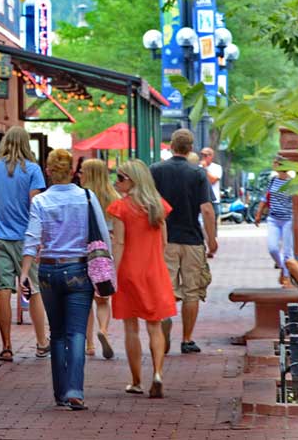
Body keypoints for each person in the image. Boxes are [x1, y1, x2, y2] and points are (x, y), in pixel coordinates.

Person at [20, 149, 110, 411]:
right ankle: (75, 390)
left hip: (48, 271)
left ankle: (60, 392)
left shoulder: (41, 202)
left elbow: (32, 239)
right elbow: (102, 234)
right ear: (72, 171)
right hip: (79, 270)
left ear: (48, 171)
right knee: (77, 332)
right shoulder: (86, 197)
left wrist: (25, 272)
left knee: (57, 333)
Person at [0, 126, 49, 362]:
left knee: (3, 289)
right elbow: (35, 205)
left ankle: (7, 346)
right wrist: (38, 235)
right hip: (26, 238)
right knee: (34, 288)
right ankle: (41, 343)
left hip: (0, 237)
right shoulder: (33, 170)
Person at [109, 159, 176, 398]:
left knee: (131, 327)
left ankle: (136, 380)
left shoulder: (121, 208)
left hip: (129, 270)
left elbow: (119, 243)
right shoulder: (158, 206)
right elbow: (165, 242)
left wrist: (111, 275)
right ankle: (157, 373)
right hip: (154, 271)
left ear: (132, 180)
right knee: (155, 325)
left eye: (120, 178)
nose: (116, 183)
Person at [150, 129, 216, 355]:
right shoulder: (197, 173)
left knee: (164, 286)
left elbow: (148, 204)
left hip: (164, 239)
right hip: (192, 239)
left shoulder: (155, 170)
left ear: (171, 146)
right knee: (191, 291)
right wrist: (212, 239)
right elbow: (207, 210)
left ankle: (165, 321)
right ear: (190, 149)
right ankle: (187, 339)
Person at [80, 159, 117, 360]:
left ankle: (90, 344)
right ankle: (103, 329)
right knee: (103, 300)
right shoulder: (114, 198)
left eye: (82, 171)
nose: (79, 174)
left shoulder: (80, 197)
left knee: (86, 301)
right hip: (104, 255)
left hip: (84, 254)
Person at [256, 156, 296, 286]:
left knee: (288, 252)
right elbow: (265, 197)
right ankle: (283, 268)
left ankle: (286, 278)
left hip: (288, 219)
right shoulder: (273, 180)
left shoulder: (292, 183)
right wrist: (258, 213)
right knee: (272, 248)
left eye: (275, 162)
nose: (273, 164)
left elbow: (296, 202)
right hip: (273, 218)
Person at [200, 148, 223, 223]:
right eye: (202, 155)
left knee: (213, 221)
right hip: (202, 199)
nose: (203, 157)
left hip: (214, 199)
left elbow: (213, 180)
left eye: (205, 155)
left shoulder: (217, 167)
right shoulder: (198, 167)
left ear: (211, 156)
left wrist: (205, 169)